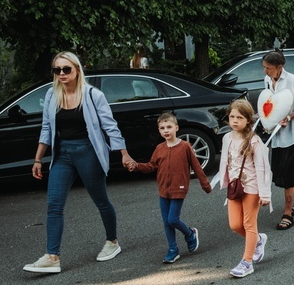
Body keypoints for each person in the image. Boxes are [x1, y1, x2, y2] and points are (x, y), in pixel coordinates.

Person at [24, 51, 134, 274]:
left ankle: (112, 241)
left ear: (77, 70)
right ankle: (52, 256)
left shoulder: (93, 95)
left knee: (101, 200)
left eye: (66, 69)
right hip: (62, 154)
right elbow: (46, 128)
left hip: (88, 151)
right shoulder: (51, 94)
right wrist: (38, 158)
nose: (61, 74)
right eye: (57, 70)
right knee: (54, 205)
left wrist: (124, 153)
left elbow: (110, 127)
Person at [126, 113, 211, 264]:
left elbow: (196, 167)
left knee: (173, 219)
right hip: (163, 189)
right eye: (162, 128)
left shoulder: (185, 146)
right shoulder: (159, 148)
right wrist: (137, 166)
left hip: (179, 188)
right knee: (166, 222)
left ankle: (190, 234)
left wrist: (205, 184)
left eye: (169, 127)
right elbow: (152, 166)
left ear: (176, 128)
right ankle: (173, 249)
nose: (166, 130)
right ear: (159, 130)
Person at [218, 99, 271, 278]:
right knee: (234, 225)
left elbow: (263, 169)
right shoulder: (227, 138)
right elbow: (227, 162)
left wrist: (264, 194)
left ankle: (247, 262)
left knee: (249, 224)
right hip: (235, 187)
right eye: (232, 116)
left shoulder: (254, 141)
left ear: (248, 120)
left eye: (239, 117)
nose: (234, 121)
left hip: (252, 188)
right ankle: (258, 240)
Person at [261, 51, 294, 230]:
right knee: (280, 170)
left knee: (288, 173)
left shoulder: (291, 80)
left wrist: (289, 118)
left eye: (269, 68)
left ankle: (288, 213)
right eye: (264, 68)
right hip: (277, 134)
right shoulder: (268, 80)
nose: (266, 72)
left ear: (279, 67)